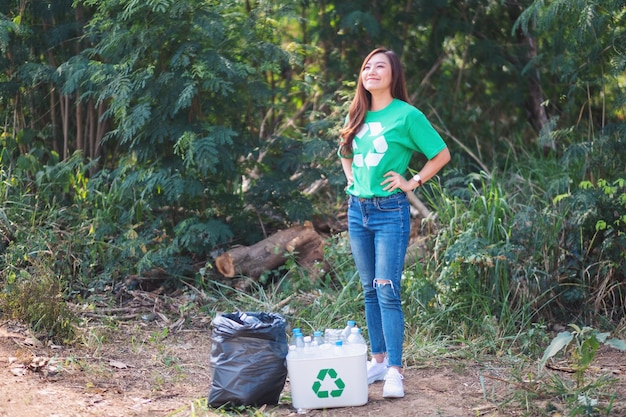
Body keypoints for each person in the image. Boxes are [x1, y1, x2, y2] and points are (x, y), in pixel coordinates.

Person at [338, 47, 450, 399]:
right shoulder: (357, 111)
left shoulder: (407, 115)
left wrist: (412, 181)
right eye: (366, 65)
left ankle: (395, 372)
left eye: (379, 66)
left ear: (393, 75)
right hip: (358, 212)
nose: (371, 71)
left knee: (387, 290)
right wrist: (352, 182)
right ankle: (378, 358)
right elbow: (345, 153)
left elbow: (441, 154)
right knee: (370, 289)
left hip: (390, 213)